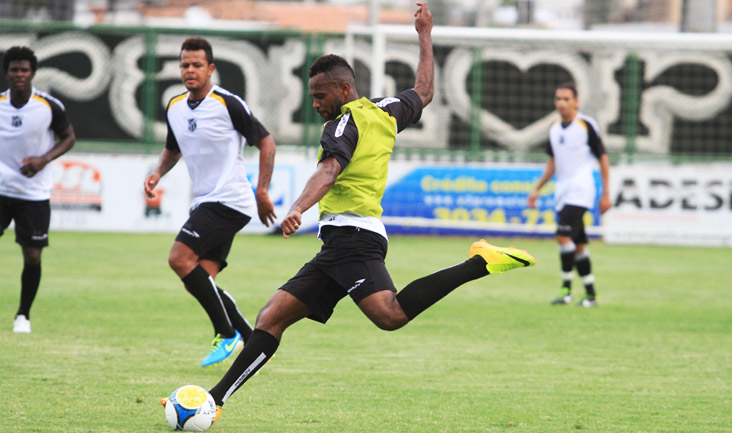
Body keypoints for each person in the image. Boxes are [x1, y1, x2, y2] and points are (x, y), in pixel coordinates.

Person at [167, 3, 535, 423]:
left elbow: (329, 169)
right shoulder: (386, 110)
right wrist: (425, 35)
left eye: (319, 96)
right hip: (345, 241)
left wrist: (298, 207)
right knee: (271, 317)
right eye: (311, 97)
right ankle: (213, 403)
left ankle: (477, 262)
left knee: (390, 315)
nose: (315, 105)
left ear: (343, 90)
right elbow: (426, 90)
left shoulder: (341, 125)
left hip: (352, 239)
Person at [144, 37, 277, 367]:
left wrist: (262, 191)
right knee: (203, 278)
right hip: (205, 201)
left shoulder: (227, 103)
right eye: (185, 65)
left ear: (210, 68)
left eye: (197, 65)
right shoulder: (175, 107)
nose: (190, 70)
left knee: (179, 258)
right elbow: (173, 149)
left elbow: (266, 142)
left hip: (229, 199)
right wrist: (157, 173)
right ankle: (249, 341)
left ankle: (226, 333)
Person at [0, 46, 76, 334]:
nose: (18, 74)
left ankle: (23, 315)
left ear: (32, 73)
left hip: (33, 194)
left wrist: (43, 160)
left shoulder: (48, 106)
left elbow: (69, 137)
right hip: (1, 189)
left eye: (24, 70)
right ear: (6, 73)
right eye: (13, 69)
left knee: (32, 256)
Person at [527, 82, 611, 307]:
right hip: (562, 190)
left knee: (562, 235)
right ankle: (591, 294)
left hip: (581, 189)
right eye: (558, 99)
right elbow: (554, 163)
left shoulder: (586, 125)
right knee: (578, 244)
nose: (561, 103)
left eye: (566, 99)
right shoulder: (554, 128)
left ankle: (566, 290)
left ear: (576, 101)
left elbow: (603, 159)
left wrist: (606, 193)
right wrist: (537, 189)